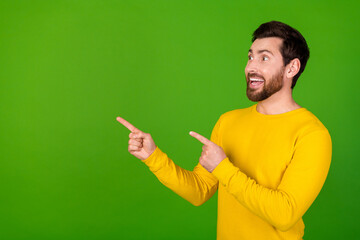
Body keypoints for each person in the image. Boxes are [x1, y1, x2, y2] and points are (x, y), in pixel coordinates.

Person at [116, 21, 332, 240]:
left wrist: (223, 167)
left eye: (264, 58)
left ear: (292, 68)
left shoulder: (312, 134)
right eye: (250, 57)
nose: (251, 67)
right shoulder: (228, 121)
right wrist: (153, 157)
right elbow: (199, 190)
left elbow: (284, 214)